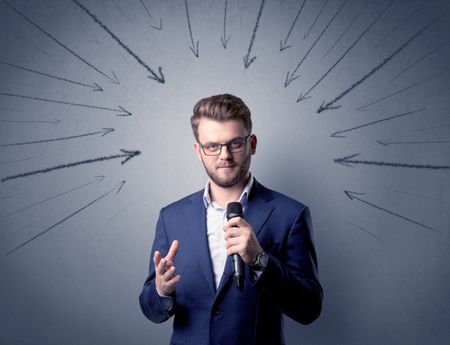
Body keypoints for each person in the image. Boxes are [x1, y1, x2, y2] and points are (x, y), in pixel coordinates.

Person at [139, 94, 323, 345]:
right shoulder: (171, 217)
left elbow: (309, 308)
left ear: (252, 144)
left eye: (235, 143)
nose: (224, 155)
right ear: (198, 151)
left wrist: (260, 260)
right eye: (212, 146)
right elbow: (150, 309)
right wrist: (161, 290)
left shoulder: (290, 215)